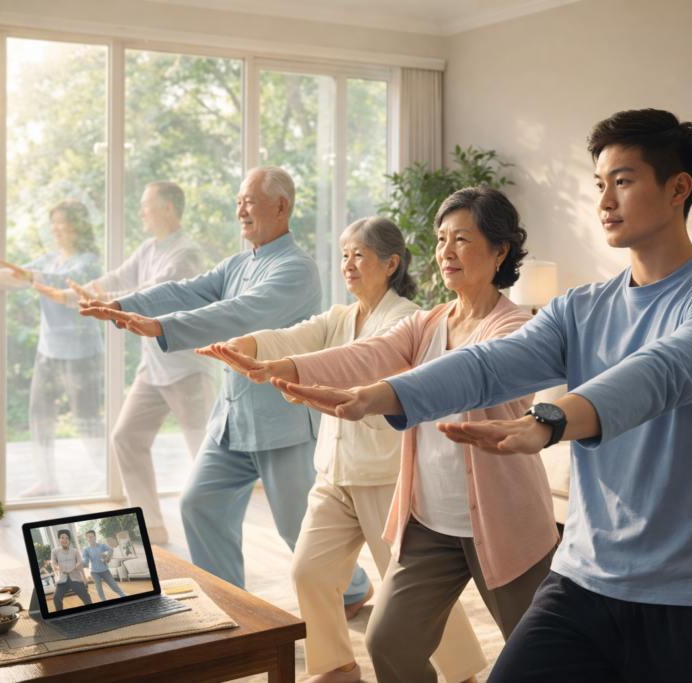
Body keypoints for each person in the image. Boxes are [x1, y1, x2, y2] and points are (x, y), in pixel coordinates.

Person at [278, 110, 692, 682]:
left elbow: (657, 373)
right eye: (599, 184)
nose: (605, 201)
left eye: (624, 181)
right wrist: (378, 396)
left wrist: (550, 419)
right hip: (584, 579)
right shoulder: (579, 308)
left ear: (678, 188)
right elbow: (489, 363)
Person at [236, 186, 558, 683]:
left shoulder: (517, 327)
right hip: (432, 524)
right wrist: (285, 366)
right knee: (387, 641)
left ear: (500, 251)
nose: (446, 251)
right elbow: (365, 353)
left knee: (539, 657)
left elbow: (463, 376)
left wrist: (373, 396)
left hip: (503, 523)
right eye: (441, 238)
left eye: (462, 239)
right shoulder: (429, 322)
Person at [200, 216, 487, 683]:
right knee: (309, 572)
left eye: (359, 255)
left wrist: (283, 366)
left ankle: (459, 674)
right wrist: (243, 346)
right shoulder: (339, 317)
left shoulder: (406, 320)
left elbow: (354, 365)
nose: (347, 265)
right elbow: (293, 337)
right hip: (333, 475)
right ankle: (336, 667)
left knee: (409, 591)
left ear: (390, 263)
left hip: (384, 477)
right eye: (344, 255)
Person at [78, 166, 372, 612]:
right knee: (200, 504)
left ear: (280, 206)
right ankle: (232, 605)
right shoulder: (238, 263)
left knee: (299, 529)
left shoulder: (298, 269)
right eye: (238, 201)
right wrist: (122, 305)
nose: (240, 210)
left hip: (282, 421)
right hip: (232, 420)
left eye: (249, 201)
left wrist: (160, 326)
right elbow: (185, 290)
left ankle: (353, 589)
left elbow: (240, 314)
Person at [34, 181, 216, 543]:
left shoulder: (186, 254)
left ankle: (213, 531)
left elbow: (154, 295)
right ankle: (152, 527)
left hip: (186, 370)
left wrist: (103, 302)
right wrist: (73, 295)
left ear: (167, 209)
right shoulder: (149, 248)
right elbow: (115, 280)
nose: (140, 212)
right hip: (153, 367)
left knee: (207, 455)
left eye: (146, 205)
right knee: (127, 437)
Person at [0, 199, 105, 498]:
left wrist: (29, 275)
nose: (55, 228)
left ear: (79, 225)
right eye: (53, 222)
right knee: (40, 416)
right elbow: (18, 277)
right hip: (48, 352)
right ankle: (47, 481)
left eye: (61, 222)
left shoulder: (88, 261)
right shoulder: (49, 259)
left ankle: (112, 475)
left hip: (81, 354)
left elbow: (61, 282)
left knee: (86, 421)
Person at [51, 529, 93, 610]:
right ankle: (60, 616)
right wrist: (57, 567)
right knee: (56, 598)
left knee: (85, 595)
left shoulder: (75, 551)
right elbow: (53, 561)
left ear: (69, 540)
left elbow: (79, 563)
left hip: (75, 578)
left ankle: (92, 612)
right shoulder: (55, 551)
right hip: (62, 580)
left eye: (66, 538)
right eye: (62, 538)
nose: (64, 540)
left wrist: (82, 577)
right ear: (59, 539)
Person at [82, 529, 127, 601]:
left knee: (114, 586)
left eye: (92, 536)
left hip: (105, 570)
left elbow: (111, 550)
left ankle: (124, 596)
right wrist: (83, 564)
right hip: (94, 572)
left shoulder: (102, 545)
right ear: (86, 539)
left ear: (95, 537)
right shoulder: (86, 550)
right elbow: (85, 562)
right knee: (99, 590)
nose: (91, 538)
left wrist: (108, 559)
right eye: (89, 537)